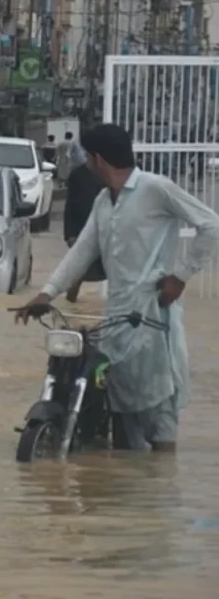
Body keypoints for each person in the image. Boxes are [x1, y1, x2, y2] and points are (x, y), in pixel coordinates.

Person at [17, 123, 219, 453]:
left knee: (159, 415)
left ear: (98, 159)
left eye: (87, 157)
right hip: (116, 317)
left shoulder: (156, 189)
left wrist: (181, 276)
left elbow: (210, 224)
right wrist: (47, 293)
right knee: (118, 413)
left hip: (153, 315)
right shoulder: (103, 201)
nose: (86, 164)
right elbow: (83, 251)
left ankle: (160, 475)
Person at [62, 161, 106, 303]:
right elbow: (70, 206)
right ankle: (69, 305)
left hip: (108, 233)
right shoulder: (77, 175)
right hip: (82, 232)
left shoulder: (112, 175)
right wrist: (70, 234)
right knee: (76, 275)